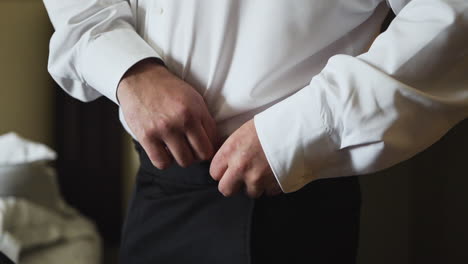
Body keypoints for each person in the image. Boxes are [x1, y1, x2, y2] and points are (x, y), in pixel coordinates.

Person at [43, 0, 468, 263]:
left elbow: (454, 18)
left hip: (283, 200)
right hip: (157, 191)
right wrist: (127, 67)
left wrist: (302, 129)